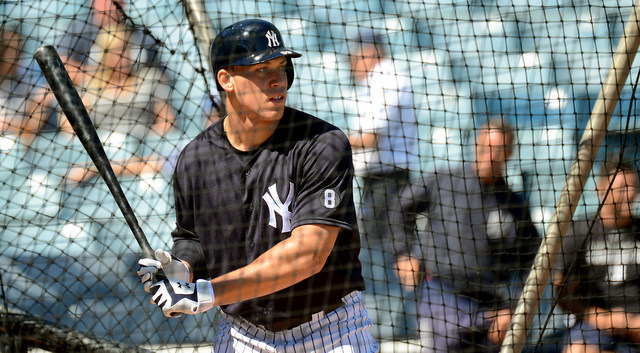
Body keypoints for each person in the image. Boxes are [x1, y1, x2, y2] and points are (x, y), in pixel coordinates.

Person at [136, 19, 378, 352]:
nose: (278, 79)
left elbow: (308, 255)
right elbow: (192, 237)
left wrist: (206, 293)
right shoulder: (195, 159)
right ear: (227, 79)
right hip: (242, 334)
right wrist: (182, 270)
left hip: (330, 331)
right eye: (261, 70)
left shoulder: (321, 144)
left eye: (281, 66)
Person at [391, 117, 541, 352]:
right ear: (475, 146)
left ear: (509, 153)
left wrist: (513, 310)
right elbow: (400, 209)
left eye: (498, 149)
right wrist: (403, 254)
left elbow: (532, 261)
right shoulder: (444, 181)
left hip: (492, 309)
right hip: (443, 297)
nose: (490, 155)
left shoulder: (514, 204)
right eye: (485, 147)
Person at [347, 29, 419, 339]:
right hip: (381, 180)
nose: (352, 67)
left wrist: (325, 143)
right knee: (383, 249)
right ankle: (388, 322)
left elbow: (370, 137)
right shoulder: (381, 79)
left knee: (386, 250)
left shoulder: (386, 77)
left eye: (355, 59)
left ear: (369, 54)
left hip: (389, 181)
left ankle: (394, 324)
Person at [555, 154, 640, 353]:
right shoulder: (579, 232)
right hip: (593, 324)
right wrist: (600, 317)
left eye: (633, 187)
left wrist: (633, 322)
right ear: (601, 189)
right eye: (622, 189)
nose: (629, 195)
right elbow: (561, 295)